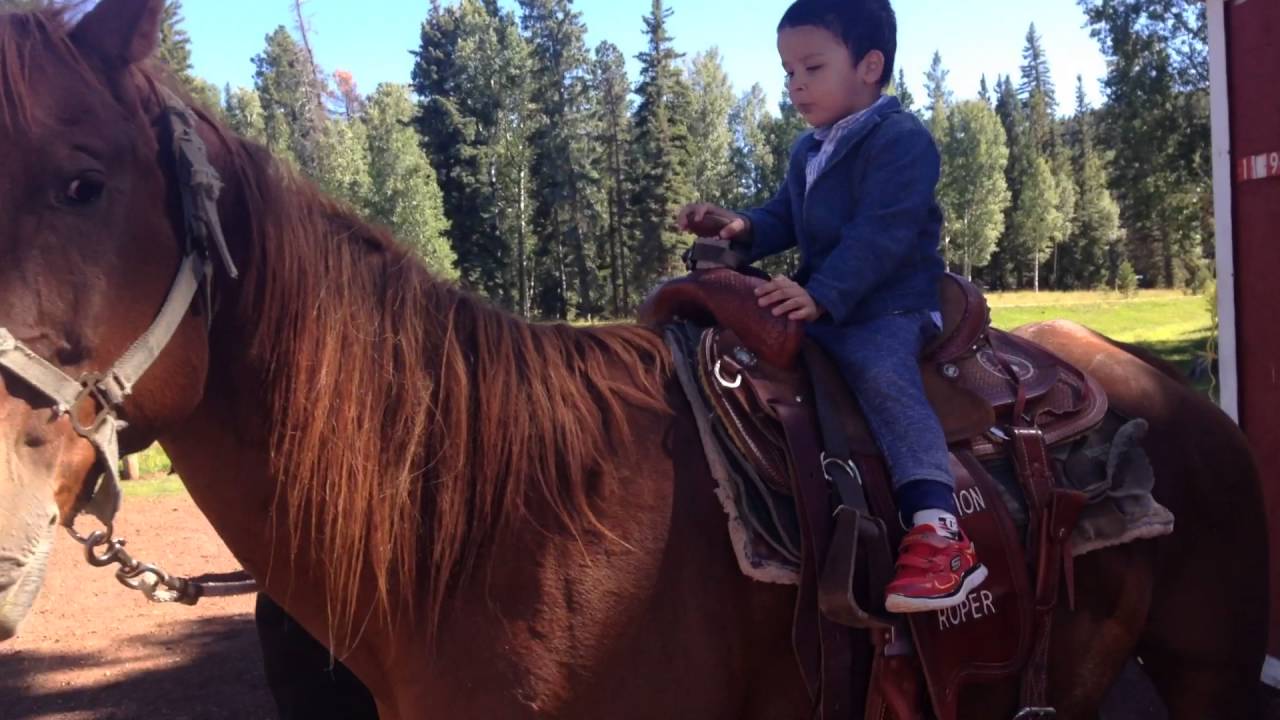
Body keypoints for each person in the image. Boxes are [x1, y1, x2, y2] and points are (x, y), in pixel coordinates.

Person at [675, 0, 986, 613]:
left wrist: (821, 294)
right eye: (788, 70)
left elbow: (882, 234)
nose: (795, 84)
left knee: (880, 375)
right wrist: (739, 225)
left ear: (870, 66)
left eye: (812, 67)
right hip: (829, 302)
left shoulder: (901, 141)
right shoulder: (808, 149)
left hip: (887, 305)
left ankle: (939, 529)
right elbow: (783, 218)